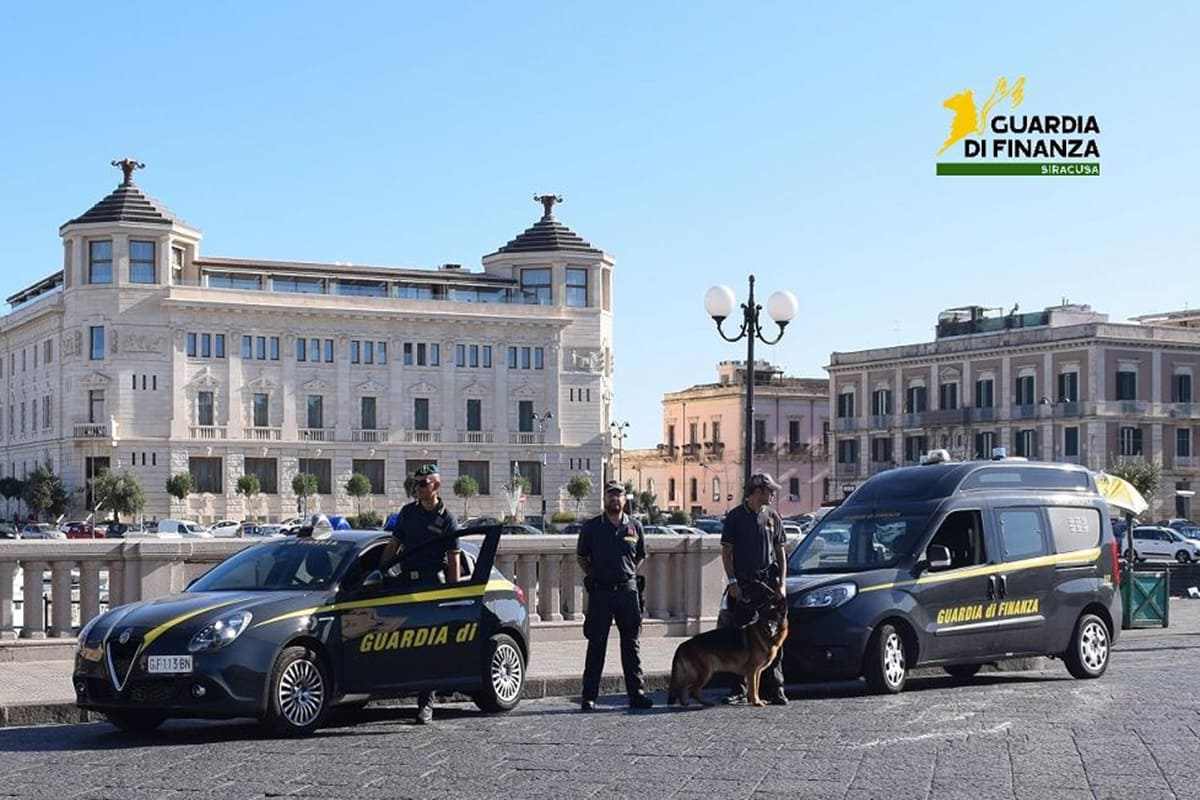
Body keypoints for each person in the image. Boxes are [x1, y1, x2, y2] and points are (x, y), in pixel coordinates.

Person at [378, 464, 461, 724]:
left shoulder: (447, 518)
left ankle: (426, 703)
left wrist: (454, 594)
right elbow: (394, 544)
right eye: (416, 483)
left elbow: (454, 558)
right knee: (402, 638)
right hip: (406, 583)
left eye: (423, 483)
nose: (418, 488)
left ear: (436, 486)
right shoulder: (408, 513)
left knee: (429, 643)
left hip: (431, 585)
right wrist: (381, 570)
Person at [576, 482, 654, 711]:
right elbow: (582, 557)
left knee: (631, 645)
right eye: (611, 495)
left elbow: (640, 556)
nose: (615, 499)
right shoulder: (592, 527)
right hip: (601, 592)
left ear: (624, 500)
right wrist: (597, 575)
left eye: (619, 495)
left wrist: (627, 572)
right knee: (596, 645)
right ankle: (589, 696)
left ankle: (637, 694)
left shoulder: (635, 526)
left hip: (628, 592)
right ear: (604, 499)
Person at [719, 472, 789, 706]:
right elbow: (727, 552)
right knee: (739, 637)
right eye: (770, 491)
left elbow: (780, 552)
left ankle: (775, 688)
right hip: (744, 585)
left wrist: (782, 583)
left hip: (767, 585)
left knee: (774, 637)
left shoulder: (772, 516)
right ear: (757, 491)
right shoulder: (736, 517)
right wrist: (732, 582)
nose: (772, 495)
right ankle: (738, 689)